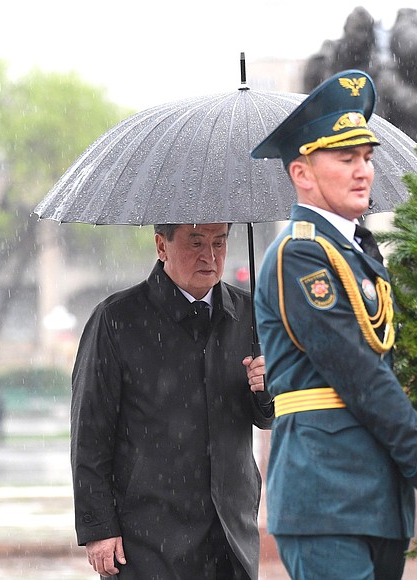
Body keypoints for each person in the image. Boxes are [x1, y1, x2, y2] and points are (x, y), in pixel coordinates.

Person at [250, 69, 417, 579]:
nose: (363, 171)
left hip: (372, 498)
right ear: (302, 174)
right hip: (325, 493)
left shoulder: (359, 252)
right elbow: (363, 377)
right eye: (345, 159)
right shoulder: (302, 255)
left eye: (366, 157)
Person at [70, 222, 274, 579]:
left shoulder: (251, 315)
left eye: (219, 242)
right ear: (161, 246)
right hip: (145, 534)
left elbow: (266, 417)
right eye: (196, 243)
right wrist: (98, 527)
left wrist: (267, 389)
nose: (210, 256)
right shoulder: (117, 318)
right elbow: (89, 433)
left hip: (230, 530)